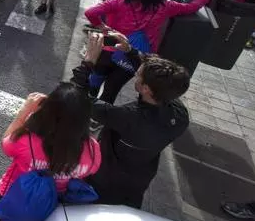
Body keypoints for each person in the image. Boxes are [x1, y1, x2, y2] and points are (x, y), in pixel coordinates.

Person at [74, 32, 191, 209]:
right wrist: (130, 51)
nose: (135, 75)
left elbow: (77, 97)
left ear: (146, 89)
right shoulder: (180, 115)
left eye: (138, 76)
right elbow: (158, 81)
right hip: (138, 182)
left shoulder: (127, 117)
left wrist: (88, 62)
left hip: (105, 182)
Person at [0, 84, 101, 221]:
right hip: (46, 206)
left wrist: (25, 111)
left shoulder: (28, 139)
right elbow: (91, 169)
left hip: (10, 197)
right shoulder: (92, 150)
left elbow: (6, 145)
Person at [84, 0, 215, 103]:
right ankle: (101, 113)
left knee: (94, 81)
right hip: (135, 56)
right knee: (111, 90)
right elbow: (191, 7)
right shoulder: (166, 6)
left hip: (108, 50)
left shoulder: (117, 1)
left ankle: (87, 105)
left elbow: (90, 13)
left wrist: (102, 26)